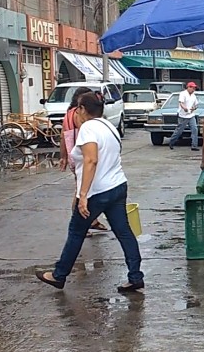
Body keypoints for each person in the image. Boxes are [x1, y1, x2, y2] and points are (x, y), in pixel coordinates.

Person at [35, 92, 144, 293]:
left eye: (77, 108)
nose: (75, 112)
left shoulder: (88, 128)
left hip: (97, 191)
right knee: (124, 231)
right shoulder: (109, 126)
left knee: (76, 232)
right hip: (118, 186)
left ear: (83, 109)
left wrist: (83, 195)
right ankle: (135, 276)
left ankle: (59, 275)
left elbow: (91, 160)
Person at [60, 87, 108, 235]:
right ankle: (80, 224)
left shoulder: (68, 114)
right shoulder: (80, 116)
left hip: (74, 155)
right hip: (83, 156)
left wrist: (63, 156)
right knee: (82, 191)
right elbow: (88, 133)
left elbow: (62, 136)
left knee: (83, 188)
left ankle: (91, 221)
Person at [169, 81, 200, 150]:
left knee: (194, 129)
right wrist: (184, 108)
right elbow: (181, 103)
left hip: (191, 115)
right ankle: (172, 142)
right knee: (179, 131)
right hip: (183, 115)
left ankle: (194, 146)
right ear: (188, 87)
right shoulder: (183, 94)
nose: (193, 89)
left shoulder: (193, 95)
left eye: (194, 88)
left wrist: (193, 108)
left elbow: (196, 105)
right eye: (192, 88)